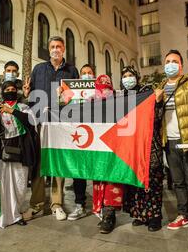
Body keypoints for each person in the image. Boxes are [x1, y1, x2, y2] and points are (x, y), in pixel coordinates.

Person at [22, 36, 79, 222]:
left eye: (59, 46)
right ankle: (36, 205)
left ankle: (56, 204)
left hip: (60, 125)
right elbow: (31, 97)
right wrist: (26, 94)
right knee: (38, 164)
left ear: (64, 49)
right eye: (52, 46)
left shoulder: (71, 70)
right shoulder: (39, 69)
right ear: (48, 49)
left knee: (57, 165)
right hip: (40, 124)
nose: (55, 49)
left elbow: (77, 99)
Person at [154, 50, 188, 240]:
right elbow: (155, 117)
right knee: (177, 182)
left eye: (174, 61)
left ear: (181, 65)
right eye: (167, 61)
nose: (170, 64)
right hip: (169, 142)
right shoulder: (159, 88)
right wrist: (157, 102)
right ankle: (183, 214)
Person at [0, 81, 38, 228]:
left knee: (20, 186)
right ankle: (3, 215)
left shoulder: (23, 107)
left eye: (13, 89)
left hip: (21, 150)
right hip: (3, 151)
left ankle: (16, 214)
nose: (10, 91)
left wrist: (12, 111)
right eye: (7, 89)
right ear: (2, 92)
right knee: (4, 184)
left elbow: (31, 121)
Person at [121, 66, 165, 232]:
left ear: (137, 77)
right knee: (135, 182)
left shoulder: (147, 92)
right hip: (131, 147)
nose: (127, 78)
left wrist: (158, 101)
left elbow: (157, 117)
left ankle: (154, 216)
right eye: (124, 76)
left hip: (149, 144)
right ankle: (140, 214)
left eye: (130, 75)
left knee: (152, 180)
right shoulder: (121, 97)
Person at [91, 74, 122, 233]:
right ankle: (104, 213)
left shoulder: (118, 100)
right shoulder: (90, 101)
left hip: (113, 147)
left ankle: (109, 215)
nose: (104, 84)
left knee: (112, 181)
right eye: (101, 82)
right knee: (99, 181)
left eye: (107, 82)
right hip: (96, 147)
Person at [67, 64, 96, 221]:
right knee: (78, 173)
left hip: (97, 138)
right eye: (83, 73)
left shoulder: (101, 92)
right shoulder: (73, 95)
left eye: (89, 73)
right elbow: (65, 112)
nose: (86, 75)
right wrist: (61, 97)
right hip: (79, 138)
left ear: (94, 75)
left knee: (98, 171)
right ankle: (80, 205)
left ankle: (102, 206)